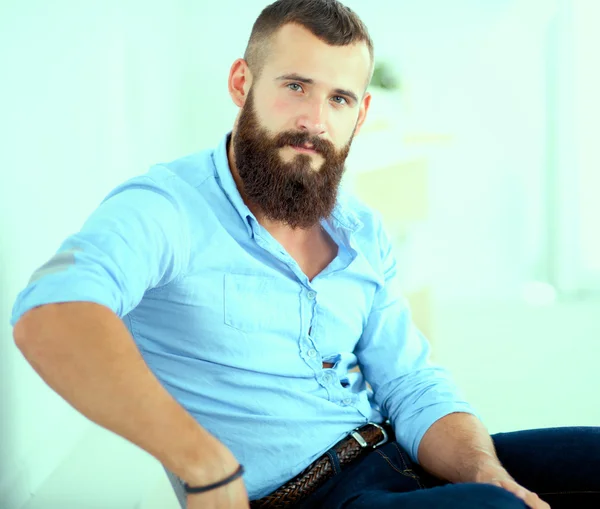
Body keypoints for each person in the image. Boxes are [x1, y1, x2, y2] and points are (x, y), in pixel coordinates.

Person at [10, 0, 600, 508]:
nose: (314, 120)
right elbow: (52, 312)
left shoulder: (361, 228)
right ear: (243, 83)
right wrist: (203, 462)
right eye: (295, 86)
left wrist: (487, 471)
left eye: (340, 99)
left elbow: (412, 383)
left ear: (360, 114)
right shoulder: (167, 207)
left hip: (395, 453)